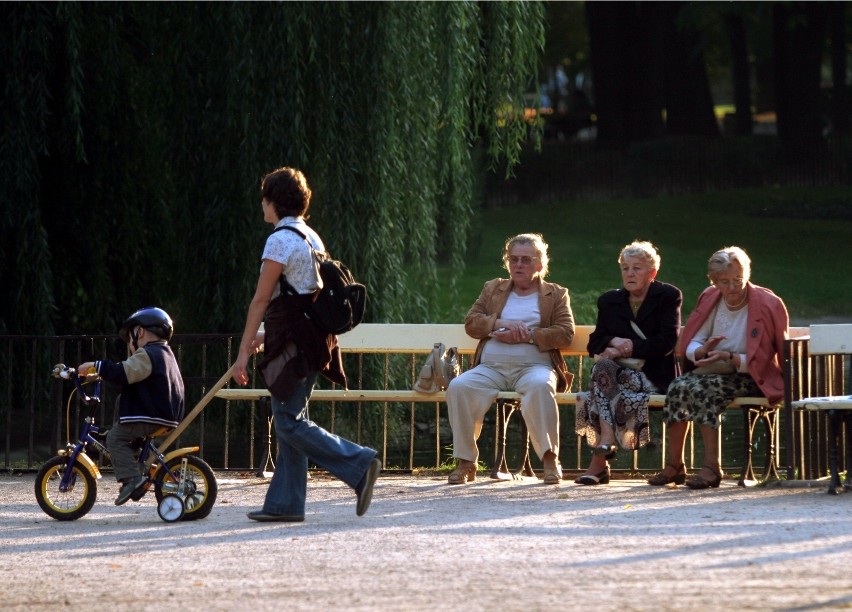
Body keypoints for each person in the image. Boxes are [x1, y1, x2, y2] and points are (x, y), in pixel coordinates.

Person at [232, 166, 381, 522]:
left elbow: (262, 299)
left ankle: (359, 463)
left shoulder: (280, 239)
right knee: (291, 418)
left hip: (296, 343)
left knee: (288, 422)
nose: (262, 207)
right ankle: (285, 504)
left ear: (274, 202)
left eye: (264, 200)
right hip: (311, 339)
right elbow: (303, 296)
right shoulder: (310, 236)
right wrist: (267, 337)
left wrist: (242, 352)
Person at [647, 246, 789, 489]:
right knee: (678, 386)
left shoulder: (768, 303)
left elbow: (771, 356)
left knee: (704, 390)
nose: (733, 288)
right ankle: (675, 465)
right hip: (715, 371)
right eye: (725, 282)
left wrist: (731, 357)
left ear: (747, 275)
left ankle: (712, 467)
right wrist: (703, 351)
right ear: (714, 282)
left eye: (738, 280)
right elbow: (694, 343)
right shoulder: (710, 297)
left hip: (751, 375)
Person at [446, 233, 575, 485]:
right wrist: (500, 322)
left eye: (526, 260)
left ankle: (550, 460)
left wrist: (526, 336)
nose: (518, 265)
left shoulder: (556, 294)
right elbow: (472, 324)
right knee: (459, 387)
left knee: (540, 386)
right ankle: (466, 462)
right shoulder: (493, 288)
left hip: (534, 366)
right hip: (491, 368)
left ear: (540, 264)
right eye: (513, 259)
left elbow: (565, 333)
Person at [574, 241, 682, 485]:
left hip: (655, 375)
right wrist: (613, 339)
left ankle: (600, 460)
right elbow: (595, 342)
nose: (630, 274)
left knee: (596, 390)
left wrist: (629, 347)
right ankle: (606, 441)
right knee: (602, 371)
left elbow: (666, 342)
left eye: (637, 268)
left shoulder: (668, 296)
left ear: (652, 273)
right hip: (617, 378)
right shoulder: (609, 301)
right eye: (625, 268)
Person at [78, 307, 185, 506]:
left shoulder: (148, 353)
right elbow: (131, 373)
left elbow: (124, 373)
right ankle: (136, 460)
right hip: (162, 414)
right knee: (122, 423)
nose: (129, 344)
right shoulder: (164, 353)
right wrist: (100, 374)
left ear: (140, 332)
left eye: (130, 338)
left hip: (150, 415)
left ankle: (131, 479)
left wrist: (98, 366)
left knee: (115, 437)